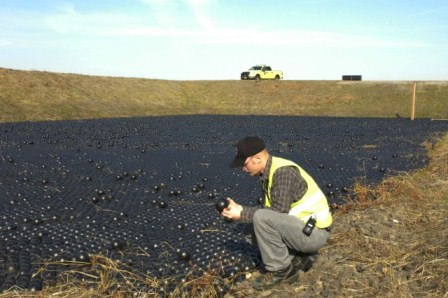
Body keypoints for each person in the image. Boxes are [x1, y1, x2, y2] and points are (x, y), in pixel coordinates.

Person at [220, 136, 333, 290]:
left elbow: (276, 212)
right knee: (250, 232)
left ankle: (283, 272)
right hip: (302, 230)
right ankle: (300, 257)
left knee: (260, 219)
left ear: (258, 158)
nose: (243, 169)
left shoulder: (283, 173)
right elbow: (270, 213)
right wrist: (241, 209)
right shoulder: (267, 174)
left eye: (245, 164)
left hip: (314, 234)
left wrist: (242, 213)